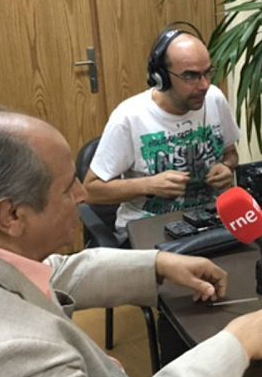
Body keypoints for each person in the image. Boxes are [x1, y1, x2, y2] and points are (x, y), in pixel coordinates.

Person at [0, 104, 262, 377]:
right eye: (68, 188)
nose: (82, 195)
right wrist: (236, 344)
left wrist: (157, 263)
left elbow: (48, 275)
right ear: (10, 215)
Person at [84, 27, 240, 236]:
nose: (204, 85)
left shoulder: (214, 99)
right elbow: (90, 191)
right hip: (149, 228)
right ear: (161, 77)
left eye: (207, 73)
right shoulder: (129, 117)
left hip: (209, 221)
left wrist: (226, 167)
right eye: (190, 76)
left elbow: (231, 154)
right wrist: (148, 185)